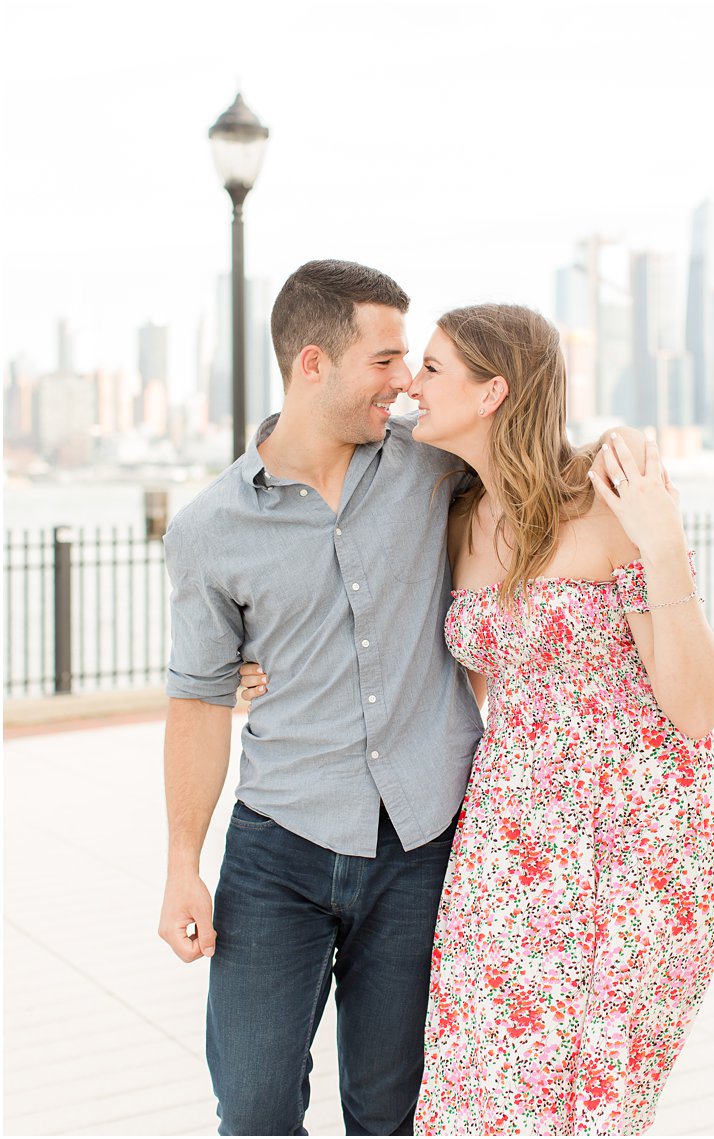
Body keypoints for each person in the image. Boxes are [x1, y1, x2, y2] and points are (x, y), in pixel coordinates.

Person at [251, 304, 714, 1133]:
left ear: (493, 392)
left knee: (590, 1095)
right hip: (509, 846)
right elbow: (332, 527)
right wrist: (260, 660)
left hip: (643, 837)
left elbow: (695, 706)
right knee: (478, 1087)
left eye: (434, 369)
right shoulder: (453, 514)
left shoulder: (612, 497)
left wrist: (661, 543)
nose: (411, 382)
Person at [157, 260, 484, 1134]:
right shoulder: (206, 531)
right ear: (313, 363)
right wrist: (183, 863)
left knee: (392, 1112)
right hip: (280, 848)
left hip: (421, 843)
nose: (406, 379)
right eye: (384, 360)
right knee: (256, 1107)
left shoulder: (429, 463)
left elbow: (528, 472)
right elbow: (195, 699)